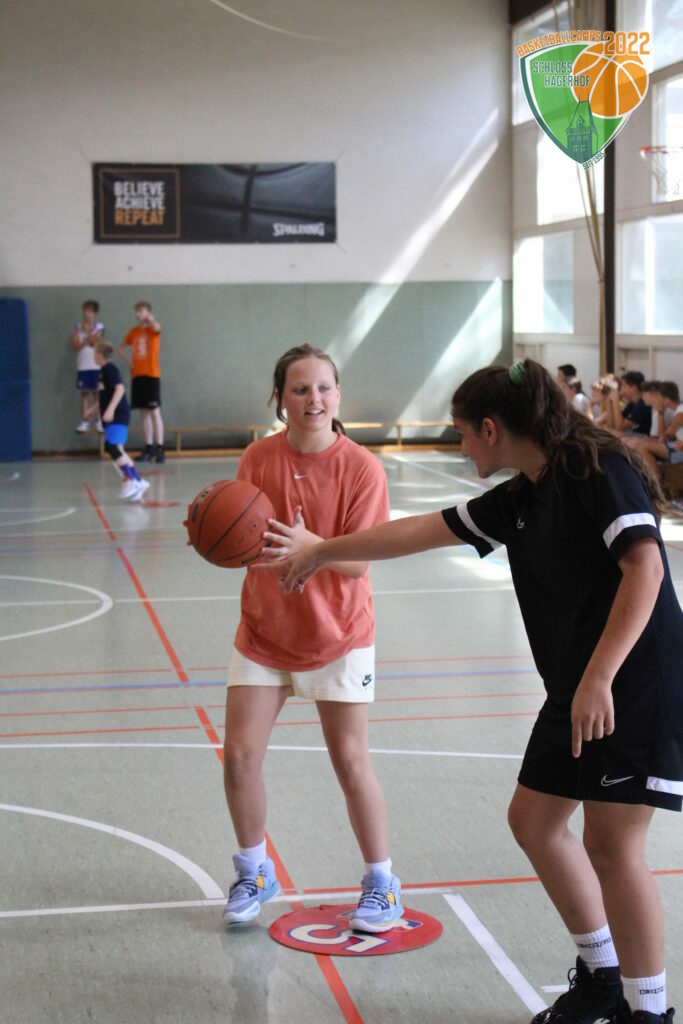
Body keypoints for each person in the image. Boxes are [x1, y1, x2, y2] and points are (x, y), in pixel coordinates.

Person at [263, 359, 682, 1024]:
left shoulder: (598, 471)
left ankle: (647, 1011)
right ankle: (601, 975)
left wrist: (599, 677)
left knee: (612, 846)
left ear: (491, 429)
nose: (460, 447)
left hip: (632, 683)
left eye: (461, 432)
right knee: (534, 822)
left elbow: (646, 568)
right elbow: (420, 529)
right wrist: (321, 550)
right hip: (576, 686)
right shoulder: (520, 497)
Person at [220, 343, 403, 934]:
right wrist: (216, 536)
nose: (313, 399)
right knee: (239, 756)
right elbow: (245, 537)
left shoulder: (362, 468)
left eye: (324, 388)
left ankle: (382, 883)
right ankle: (255, 870)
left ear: (338, 395)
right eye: (300, 389)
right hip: (265, 629)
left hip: (338, 634)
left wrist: (312, 548)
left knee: (350, 762)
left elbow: (360, 561)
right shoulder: (258, 457)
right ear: (280, 399)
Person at [89, 341, 150, 502]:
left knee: (112, 447)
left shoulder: (109, 369)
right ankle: (138, 480)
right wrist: (93, 410)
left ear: (100, 354)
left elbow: (120, 389)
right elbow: (105, 396)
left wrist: (110, 410)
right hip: (113, 415)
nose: (93, 356)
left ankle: (130, 479)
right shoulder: (102, 372)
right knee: (118, 450)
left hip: (118, 414)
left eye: (95, 353)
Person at [117, 301, 165, 463]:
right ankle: (148, 447)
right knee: (143, 412)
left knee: (154, 411)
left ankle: (160, 448)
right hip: (137, 375)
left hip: (151, 374)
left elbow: (157, 327)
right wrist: (130, 363)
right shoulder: (134, 331)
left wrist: (151, 319)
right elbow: (120, 348)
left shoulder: (152, 329)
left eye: (141, 311)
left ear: (148, 312)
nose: (138, 314)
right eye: (137, 311)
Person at [72, 299, 104, 433]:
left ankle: (99, 421)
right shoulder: (77, 327)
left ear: (95, 313)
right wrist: (86, 340)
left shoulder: (99, 326)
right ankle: (85, 422)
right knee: (84, 394)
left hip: (96, 366)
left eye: (89, 311)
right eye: (85, 310)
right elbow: (75, 345)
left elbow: (96, 342)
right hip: (83, 366)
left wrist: (87, 333)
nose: (86, 313)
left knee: (97, 395)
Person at [606, 371, 652, 437]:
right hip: (635, 435)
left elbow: (620, 427)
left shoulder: (643, 404)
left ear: (633, 388)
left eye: (624, 386)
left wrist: (616, 401)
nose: (621, 390)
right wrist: (609, 402)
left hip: (645, 437)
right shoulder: (632, 404)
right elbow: (611, 425)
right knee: (607, 432)